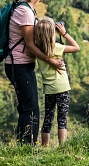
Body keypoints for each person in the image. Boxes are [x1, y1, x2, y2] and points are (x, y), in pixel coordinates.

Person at [5, 0, 64, 145]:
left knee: (27, 106)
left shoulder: (26, 8)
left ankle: (23, 145)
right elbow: (30, 45)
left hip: (20, 64)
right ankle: (27, 146)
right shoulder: (25, 11)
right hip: (19, 65)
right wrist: (51, 60)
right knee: (31, 108)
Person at [34, 18, 80, 146]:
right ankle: (62, 147)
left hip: (49, 88)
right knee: (62, 119)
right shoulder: (57, 47)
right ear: (52, 33)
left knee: (47, 119)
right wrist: (64, 34)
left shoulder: (37, 50)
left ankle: (44, 147)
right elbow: (76, 47)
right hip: (62, 87)